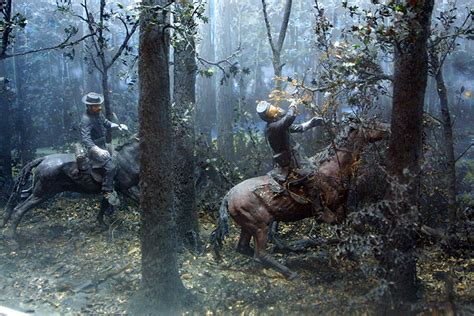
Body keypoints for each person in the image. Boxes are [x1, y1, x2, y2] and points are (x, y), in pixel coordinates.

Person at [257, 100, 323, 181]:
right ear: (269, 114)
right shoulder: (272, 127)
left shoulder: (278, 125)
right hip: (289, 161)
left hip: (295, 157)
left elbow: (297, 128)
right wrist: (293, 105)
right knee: (311, 175)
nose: (276, 108)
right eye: (271, 109)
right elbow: (289, 118)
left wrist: (311, 123)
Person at [80, 92, 128, 204]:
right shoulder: (86, 119)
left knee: (118, 158)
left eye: (99, 104)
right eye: (96, 105)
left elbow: (106, 123)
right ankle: (107, 191)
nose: (99, 107)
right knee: (111, 166)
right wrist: (97, 150)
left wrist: (118, 126)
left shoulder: (98, 114)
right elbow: (86, 139)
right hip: (94, 150)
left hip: (103, 146)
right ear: (89, 106)